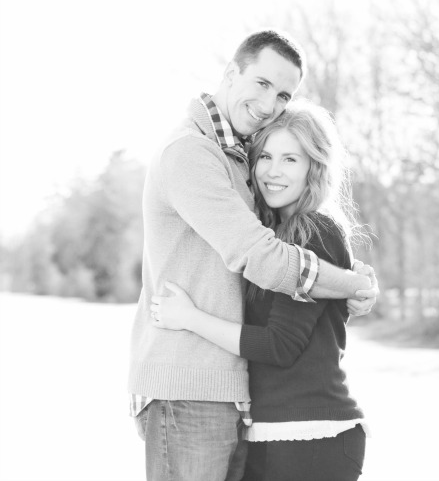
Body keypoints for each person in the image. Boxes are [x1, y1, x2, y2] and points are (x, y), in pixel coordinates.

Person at [128, 30, 378, 481]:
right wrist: (352, 285)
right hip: (189, 388)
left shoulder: (237, 159)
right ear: (231, 73)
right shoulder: (192, 153)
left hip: (233, 398)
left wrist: (346, 284)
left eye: (283, 95)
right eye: (262, 83)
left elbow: (284, 316)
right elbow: (258, 255)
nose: (268, 104)